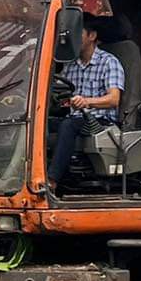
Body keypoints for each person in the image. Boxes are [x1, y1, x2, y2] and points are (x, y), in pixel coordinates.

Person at [48, 17, 124, 192]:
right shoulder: (70, 65)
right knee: (40, 124)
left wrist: (86, 101)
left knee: (68, 125)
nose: (71, 38)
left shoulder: (109, 62)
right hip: (75, 118)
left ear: (92, 36)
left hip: (100, 122)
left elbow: (113, 99)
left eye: (77, 33)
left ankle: (52, 180)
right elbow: (66, 97)